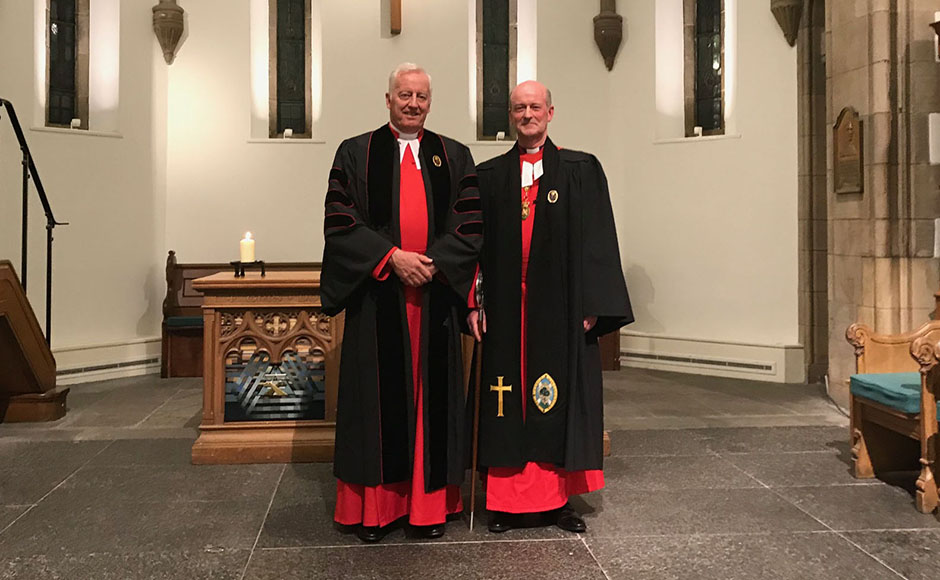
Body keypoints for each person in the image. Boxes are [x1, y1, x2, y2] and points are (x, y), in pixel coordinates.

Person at [320, 63, 481, 542]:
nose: (413, 104)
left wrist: (430, 262)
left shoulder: (453, 155)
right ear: (387, 98)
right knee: (377, 408)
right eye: (404, 95)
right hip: (378, 302)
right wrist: (391, 258)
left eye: (422, 97)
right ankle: (375, 511)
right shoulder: (356, 152)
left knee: (431, 404)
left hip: (434, 304)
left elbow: (471, 223)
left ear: (431, 102)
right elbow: (340, 219)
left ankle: (428, 509)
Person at [468, 80, 633, 533]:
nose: (527, 114)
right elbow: (472, 249)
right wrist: (473, 301)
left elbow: (599, 239)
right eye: (519, 107)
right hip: (506, 307)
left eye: (535, 106)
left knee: (555, 399)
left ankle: (558, 501)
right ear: (511, 116)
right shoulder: (488, 177)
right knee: (507, 399)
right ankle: (503, 501)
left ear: (550, 112)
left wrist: (593, 304)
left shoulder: (580, 169)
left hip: (560, 307)